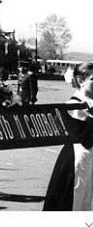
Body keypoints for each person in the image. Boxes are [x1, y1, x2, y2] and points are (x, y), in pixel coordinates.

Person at [44, 62, 93, 211]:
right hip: (75, 160)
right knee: (71, 200)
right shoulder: (73, 105)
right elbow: (85, 139)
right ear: (80, 80)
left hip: (88, 162)